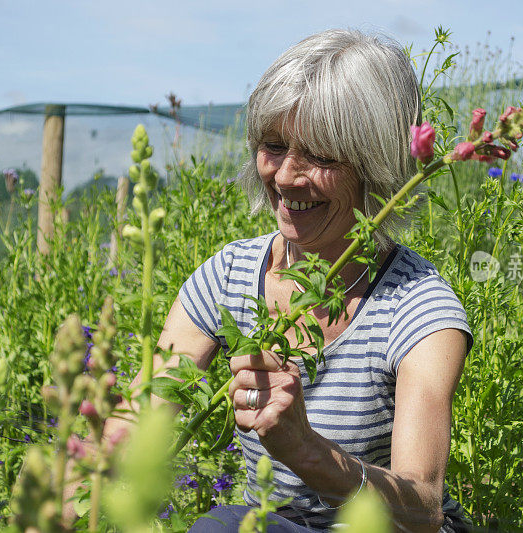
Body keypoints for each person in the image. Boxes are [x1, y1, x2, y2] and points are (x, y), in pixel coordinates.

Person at [109, 29, 472, 532]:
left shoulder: (418, 307)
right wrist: (78, 479)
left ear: (378, 165)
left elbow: (422, 506)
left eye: (322, 156)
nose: (285, 176)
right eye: (274, 146)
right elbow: (142, 414)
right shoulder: (230, 274)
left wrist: (308, 451)